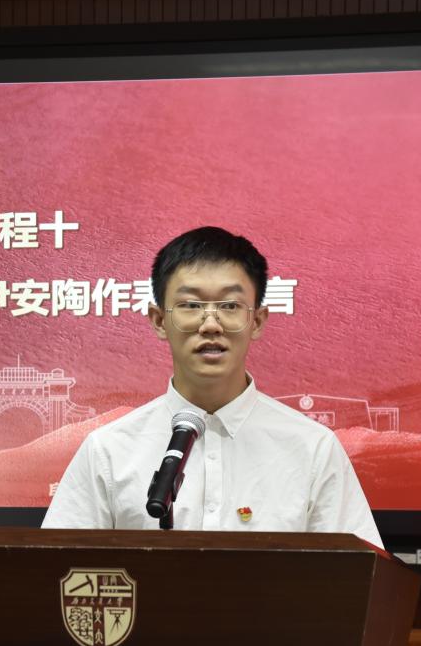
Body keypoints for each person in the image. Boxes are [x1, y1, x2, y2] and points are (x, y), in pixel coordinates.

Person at [41, 226, 382, 546]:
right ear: (159, 321)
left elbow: (358, 577)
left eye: (229, 306)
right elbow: (57, 571)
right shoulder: (109, 451)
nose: (210, 324)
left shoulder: (312, 449)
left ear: (257, 321)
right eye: (191, 305)